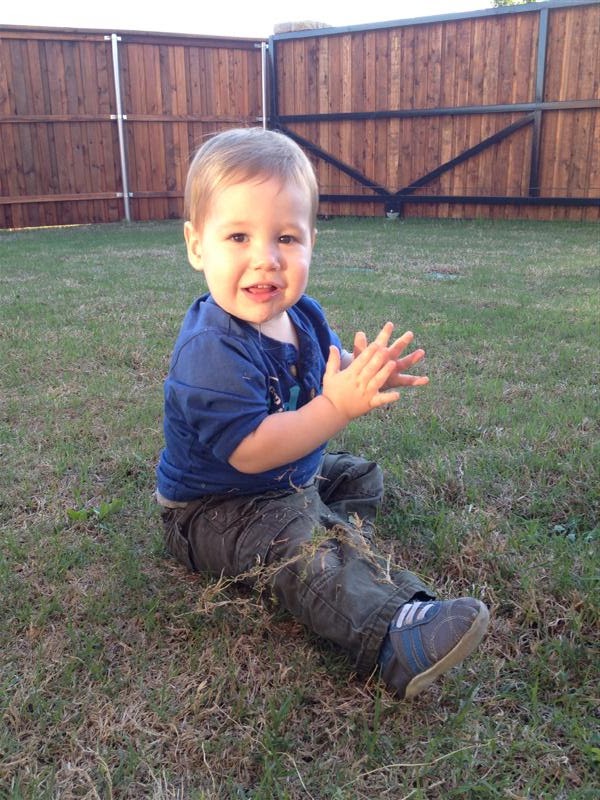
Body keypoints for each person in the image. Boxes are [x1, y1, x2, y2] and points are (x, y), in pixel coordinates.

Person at [156, 127, 489, 700]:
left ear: (312, 241)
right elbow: (251, 450)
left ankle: (323, 530)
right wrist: (336, 406)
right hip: (214, 509)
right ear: (196, 245)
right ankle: (395, 633)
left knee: (359, 477)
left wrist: (365, 372)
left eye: (286, 237)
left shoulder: (304, 316)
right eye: (237, 236)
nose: (265, 259)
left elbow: (332, 366)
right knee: (299, 543)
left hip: (287, 479)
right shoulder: (211, 348)